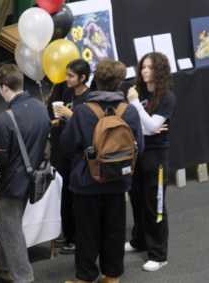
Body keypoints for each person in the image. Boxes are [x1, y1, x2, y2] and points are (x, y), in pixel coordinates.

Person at [60, 59, 144, 283]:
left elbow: (67, 145)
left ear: (96, 80)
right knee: (115, 230)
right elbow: (140, 148)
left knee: (87, 232)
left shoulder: (82, 111)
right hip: (119, 180)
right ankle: (112, 276)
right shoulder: (131, 112)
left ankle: (86, 277)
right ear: (119, 83)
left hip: (87, 182)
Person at [0, 64, 51, 283]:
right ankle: (3, 267)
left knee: (11, 232)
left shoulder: (5, 120)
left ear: (4, 87)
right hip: (34, 181)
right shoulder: (41, 107)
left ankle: (24, 278)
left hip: (11, 184)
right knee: (11, 227)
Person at [125, 52, 176, 272]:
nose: (144, 70)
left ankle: (158, 255)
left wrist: (137, 107)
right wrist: (148, 126)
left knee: (155, 206)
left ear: (160, 70)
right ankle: (139, 241)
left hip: (156, 158)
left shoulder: (167, 98)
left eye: (150, 67)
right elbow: (138, 124)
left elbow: (153, 127)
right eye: (143, 67)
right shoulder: (142, 92)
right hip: (139, 153)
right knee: (137, 200)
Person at [52, 59, 91, 254]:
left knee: (77, 196)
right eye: (67, 75)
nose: (66, 79)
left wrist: (70, 114)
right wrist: (59, 121)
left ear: (82, 78)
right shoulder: (67, 94)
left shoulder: (89, 98)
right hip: (64, 151)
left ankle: (77, 238)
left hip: (79, 153)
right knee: (65, 194)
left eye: (71, 76)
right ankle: (67, 234)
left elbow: (88, 125)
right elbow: (68, 118)